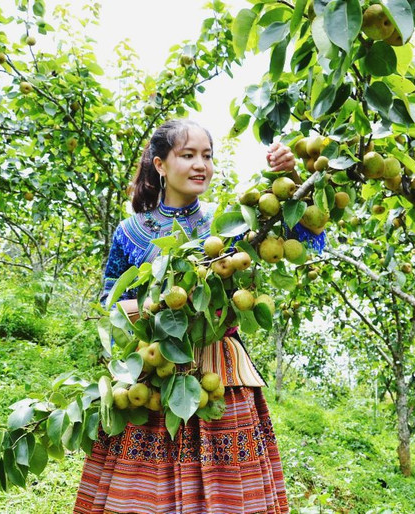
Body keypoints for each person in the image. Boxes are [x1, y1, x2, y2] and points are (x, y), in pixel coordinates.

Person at [73, 119, 317, 514]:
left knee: (228, 492)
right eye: (187, 155)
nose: (200, 164)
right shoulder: (130, 231)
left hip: (220, 373)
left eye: (207, 155)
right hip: (154, 372)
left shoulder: (229, 225)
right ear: (160, 165)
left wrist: (291, 175)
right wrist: (156, 307)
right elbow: (110, 302)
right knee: (143, 493)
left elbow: (308, 235)